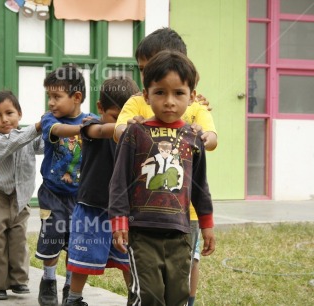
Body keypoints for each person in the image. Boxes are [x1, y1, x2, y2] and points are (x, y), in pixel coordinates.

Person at [113, 27, 218, 305]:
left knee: (177, 292)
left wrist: (207, 223)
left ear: (191, 95)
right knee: (148, 293)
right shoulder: (135, 128)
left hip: (182, 223)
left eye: (178, 93)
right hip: (142, 224)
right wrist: (120, 219)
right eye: (159, 90)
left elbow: (201, 185)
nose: (169, 101)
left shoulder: (192, 131)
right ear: (147, 93)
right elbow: (119, 180)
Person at [64, 76, 139, 306]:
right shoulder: (91, 126)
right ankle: (73, 299)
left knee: (129, 259)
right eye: (117, 116)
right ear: (100, 108)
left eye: (126, 117)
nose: (121, 123)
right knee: (83, 259)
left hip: (123, 210)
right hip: (92, 207)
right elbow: (104, 131)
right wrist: (125, 126)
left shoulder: (137, 132)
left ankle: (135, 296)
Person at [36, 64, 96, 306]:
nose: (51, 102)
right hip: (52, 193)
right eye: (49, 96)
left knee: (76, 241)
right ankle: (48, 281)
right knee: (51, 237)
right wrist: (85, 130)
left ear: (77, 97)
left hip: (80, 197)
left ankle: (70, 285)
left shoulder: (92, 121)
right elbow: (57, 130)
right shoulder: (50, 119)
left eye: (57, 97)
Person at [0, 90, 44, 300]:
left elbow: (43, 144)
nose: (4, 119)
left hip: (20, 198)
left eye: (9, 113)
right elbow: (13, 143)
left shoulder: (28, 136)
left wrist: (55, 128)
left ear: (19, 113)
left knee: (18, 241)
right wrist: (35, 127)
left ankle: (19, 280)